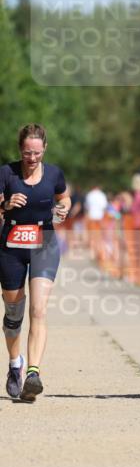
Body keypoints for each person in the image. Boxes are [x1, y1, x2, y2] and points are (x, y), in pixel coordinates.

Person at [0, 124, 71, 402]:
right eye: (28, 153)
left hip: (44, 243)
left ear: (45, 150)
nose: (32, 158)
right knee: (14, 314)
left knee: (39, 310)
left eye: (37, 153)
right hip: (12, 246)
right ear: (20, 150)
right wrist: (5, 206)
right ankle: (15, 365)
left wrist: (62, 209)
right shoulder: (6, 172)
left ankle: (33, 373)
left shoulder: (54, 173)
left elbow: (63, 196)